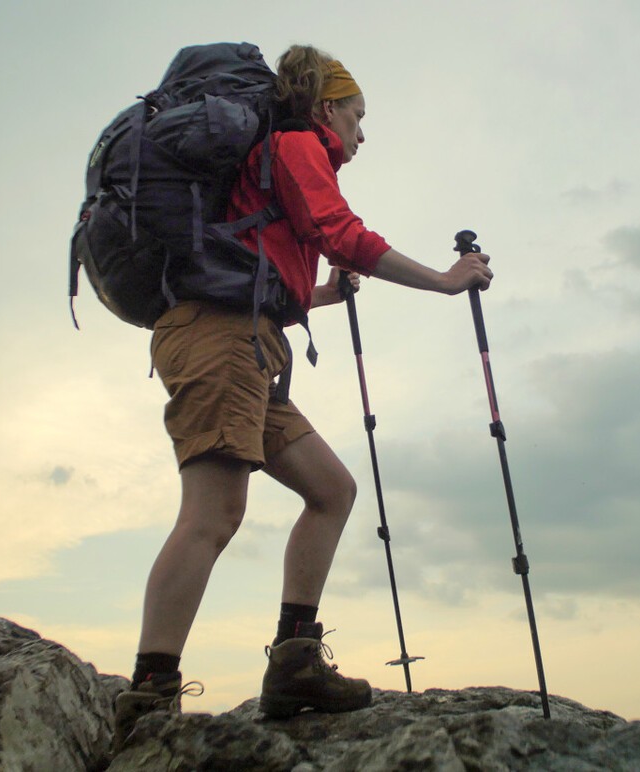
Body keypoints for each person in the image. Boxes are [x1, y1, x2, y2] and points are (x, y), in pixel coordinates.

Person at [113, 44, 493, 749]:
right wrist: (444, 281)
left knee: (331, 489)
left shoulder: (270, 159)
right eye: (356, 114)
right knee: (214, 512)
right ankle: (148, 695)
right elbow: (339, 232)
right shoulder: (295, 143)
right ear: (326, 108)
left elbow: (261, 270)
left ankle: (294, 662)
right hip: (219, 342)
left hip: (245, 343)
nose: (361, 132)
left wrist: (315, 292)